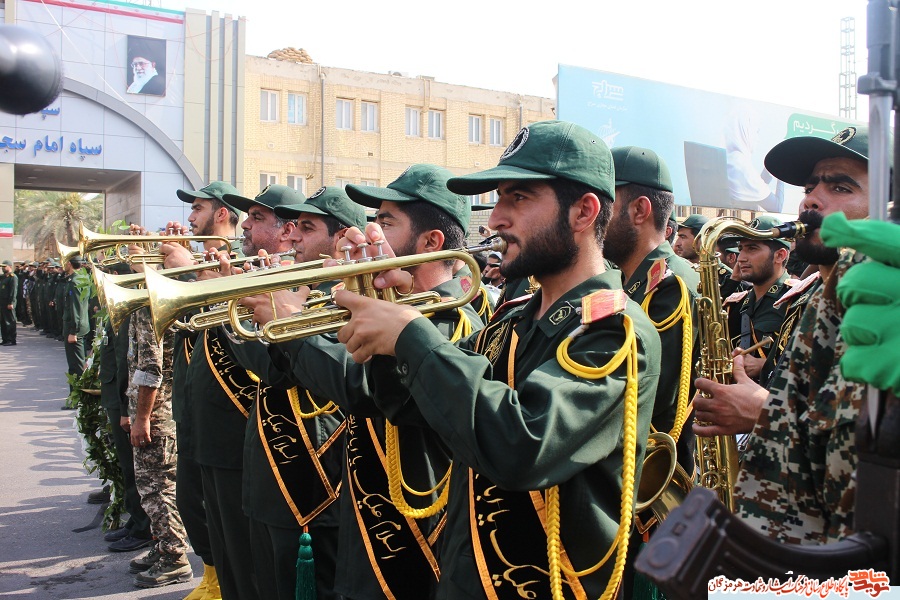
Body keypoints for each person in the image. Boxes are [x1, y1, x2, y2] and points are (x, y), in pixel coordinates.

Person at [331, 121, 661, 598]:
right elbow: (410, 406)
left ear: (584, 212)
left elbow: (522, 444)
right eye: (500, 198)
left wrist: (410, 335)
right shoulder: (513, 319)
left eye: (518, 198)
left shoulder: (615, 330)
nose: (497, 219)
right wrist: (391, 313)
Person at [244, 168, 484, 600]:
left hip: (411, 533)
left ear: (431, 242)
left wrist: (292, 325)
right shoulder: (397, 306)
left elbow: (361, 387)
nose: (370, 233)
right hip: (365, 511)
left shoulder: (453, 317)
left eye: (386, 223)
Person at [693, 126, 870, 544]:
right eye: (809, 188)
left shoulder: (883, 302)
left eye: (840, 187)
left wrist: (762, 412)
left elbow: (870, 456)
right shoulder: (817, 295)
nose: (810, 200)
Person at [226, 186, 365, 600]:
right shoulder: (298, 286)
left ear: (342, 237)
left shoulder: (347, 297)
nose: (294, 236)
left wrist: (264, 315)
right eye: (295, 226)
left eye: (307, 227)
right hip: (268, 467)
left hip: (310, 473)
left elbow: (275, 371)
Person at [167, 180, 241, 600]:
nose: (191, 217)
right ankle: (211, 575)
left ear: (221, 214)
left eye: (198, 209)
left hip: (226, 406)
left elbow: (229, 322)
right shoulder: (199, 258)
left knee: (220, 507)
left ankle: (221, 582)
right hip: (193, 397)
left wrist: (194, 271)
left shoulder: (242, 258)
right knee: (191, 498)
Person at [607, 146, 699, 471]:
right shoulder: (628, 277)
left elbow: (655, 397)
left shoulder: (671, 285)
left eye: (604, 203)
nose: (590, 216)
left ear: (640, 211)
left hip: (651, 467)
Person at [125, 298, 192, 587]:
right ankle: (164, 546)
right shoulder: (149, 303)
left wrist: (142, 418)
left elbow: (151, 369)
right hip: (159, 411)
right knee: (154, 488)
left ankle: (175, 558)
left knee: (157, 489)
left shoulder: (148, 306)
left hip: (157, 415)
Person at [99, 264, 154, 553]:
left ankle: (143, 526)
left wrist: (125, 409)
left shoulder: (129, 308)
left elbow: (127, 362)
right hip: (116, 395)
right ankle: (135, 520)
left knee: (136, 469)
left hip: (124, 400)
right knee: (127, 465)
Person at [731, 215, 791, 382]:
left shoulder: (797, 300)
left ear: (780, 256)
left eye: (752, 248)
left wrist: (767, 366)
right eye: (741, 248)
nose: (741, 257)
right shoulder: (736, 303)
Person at [61, 256, 90, 387]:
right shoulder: (83, 278)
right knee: (77, 363)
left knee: (76, 365)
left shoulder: (74, 281)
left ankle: (78, 394)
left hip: (74, 327)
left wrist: (74, 331)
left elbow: (75, 308)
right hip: (80, 325)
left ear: (69, 264)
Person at [0, 260, 17, 346]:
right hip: (2, 302)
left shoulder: (12, 277)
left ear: (10, 266)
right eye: (2, 267)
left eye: (4, 266)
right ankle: (5, 339)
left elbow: (13, 291)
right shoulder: (4, 277)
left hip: (8, 302)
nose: (2, 268)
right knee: (3, 322)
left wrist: (11, 303)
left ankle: (11, 339)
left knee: (10, 321)